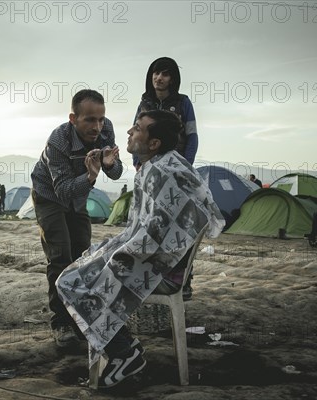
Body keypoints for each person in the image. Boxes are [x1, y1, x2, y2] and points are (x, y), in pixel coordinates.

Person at [57, 110, 224, 388]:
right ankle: (123, 346)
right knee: (83, 268)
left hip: (162, 267)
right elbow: (155, 228)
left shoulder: (160, 172)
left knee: (69, 281)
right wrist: (116, 247)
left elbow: (157, 236)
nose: (129, 133)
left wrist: (117, 253)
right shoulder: (166, 164)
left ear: (154, 143)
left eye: (137, 128)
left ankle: (124, 353)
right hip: (160, 259)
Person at [31, 89, 123, 349]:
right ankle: (61, 323)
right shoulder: (58, 141)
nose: (97, 127)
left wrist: (107, 164)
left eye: (101, 119)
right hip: (49, 196)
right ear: (73, 119)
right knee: (60, 256)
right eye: (90, 120)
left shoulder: (106, 130)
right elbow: (62, 190)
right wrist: (91, 177)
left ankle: (80, 318)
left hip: (79, 198)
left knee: (83, 257)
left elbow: (116, 172)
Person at [132, 57, 198, 170]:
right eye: (156, 73)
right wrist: (137, 163)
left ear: (172, 79)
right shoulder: (144, 105)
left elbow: (192, 136)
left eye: (165, 74)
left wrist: (186, 165)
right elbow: (135, 134)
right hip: (147, 165)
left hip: (175, 166)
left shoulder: (183, 103)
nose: (159, 78)